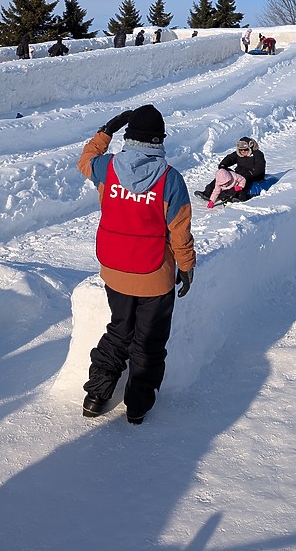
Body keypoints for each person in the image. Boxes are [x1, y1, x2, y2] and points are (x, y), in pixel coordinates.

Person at [77, 104, 196, 425]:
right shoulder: (171, 180)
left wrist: (107, 129)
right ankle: (137, 405)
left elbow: (84, 160)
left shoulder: (106, 168)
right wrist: (185, 267)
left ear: (129, 136)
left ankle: (96, 396)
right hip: (154, 275)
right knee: (148, 340)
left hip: (114, 270)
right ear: (160, 140)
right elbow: (180, 232)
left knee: (119, 331)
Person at [195, 136, 266, 204]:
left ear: (250, 148)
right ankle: (207, 193)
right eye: (241, 150)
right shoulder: (238, 154)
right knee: (222, 175)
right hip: (240, 173)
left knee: (244, 179)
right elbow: (230, 158)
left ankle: (240, 197)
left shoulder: (258, 154)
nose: (243, 151)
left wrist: (251, 173)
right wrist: (223, 165)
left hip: (254, 175)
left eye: (245, 149)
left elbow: (260, 167)